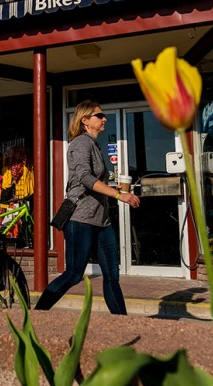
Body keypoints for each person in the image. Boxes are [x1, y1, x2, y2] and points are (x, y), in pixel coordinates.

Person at [34, 100, 140, 313]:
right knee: (73, 273)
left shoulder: (94, 145)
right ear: (85, 120)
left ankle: (123, 323)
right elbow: (83, 177)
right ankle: (38, 315)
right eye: (99, 116)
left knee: (111, 276)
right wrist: (119, 194)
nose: (104, 119)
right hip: (81, 218)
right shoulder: (81, 143)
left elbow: (92, 180)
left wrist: (112, 186)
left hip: (101, 220)